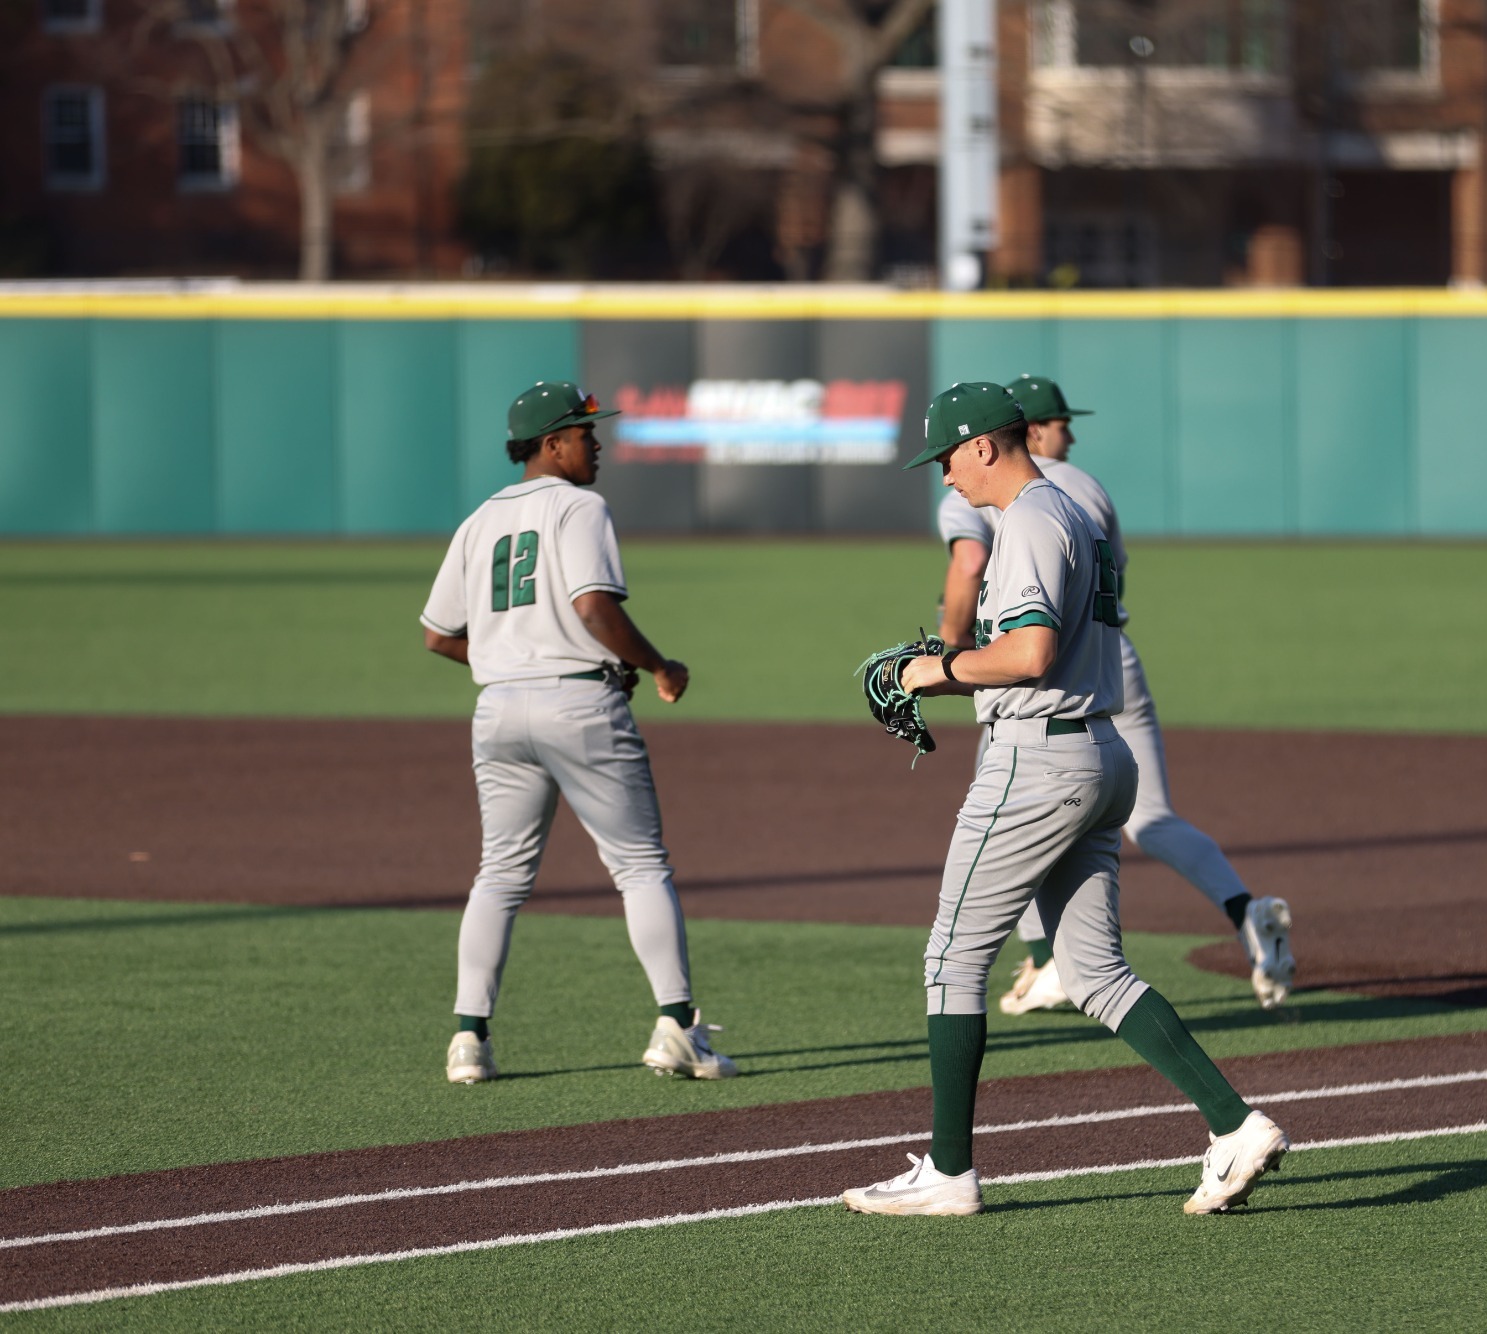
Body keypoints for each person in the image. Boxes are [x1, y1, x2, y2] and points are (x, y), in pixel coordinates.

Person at [842, 382, 1287, 1217]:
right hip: (1096, 753)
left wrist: (930, 670)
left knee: (949, 959)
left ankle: (947, 1174)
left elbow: (1030, 652)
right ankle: (1236, 1126)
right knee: (1093, 972)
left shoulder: (1034, 519)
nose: (943, 478)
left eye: (945, 458)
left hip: (1038, 759)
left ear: (982, 445)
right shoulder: (1072, 509)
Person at [936, 374, 1296, 1015]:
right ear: (1035, 428)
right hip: (1112, 660)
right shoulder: (1086, 490)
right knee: (1149, 816)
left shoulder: (1005, 494)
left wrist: (948, 653)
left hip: (1047, 674)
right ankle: (1244, 909)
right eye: (1061, 421)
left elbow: (969, 565)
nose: (1069, 433)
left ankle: (1047, 963)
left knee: (1010, 792)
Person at [419, 380, 735, 1085]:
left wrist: (507, 661)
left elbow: (439, 635)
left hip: (498, 709)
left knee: (499, 875)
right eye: (587, 433)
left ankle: (468, 1039)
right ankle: (678, 1027)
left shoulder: (478, 520)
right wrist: (658, 664)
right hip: (578, 704)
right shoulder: (579, 506)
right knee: (640, 865)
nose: (598, 444)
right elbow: (593, 607)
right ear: (553, 443)